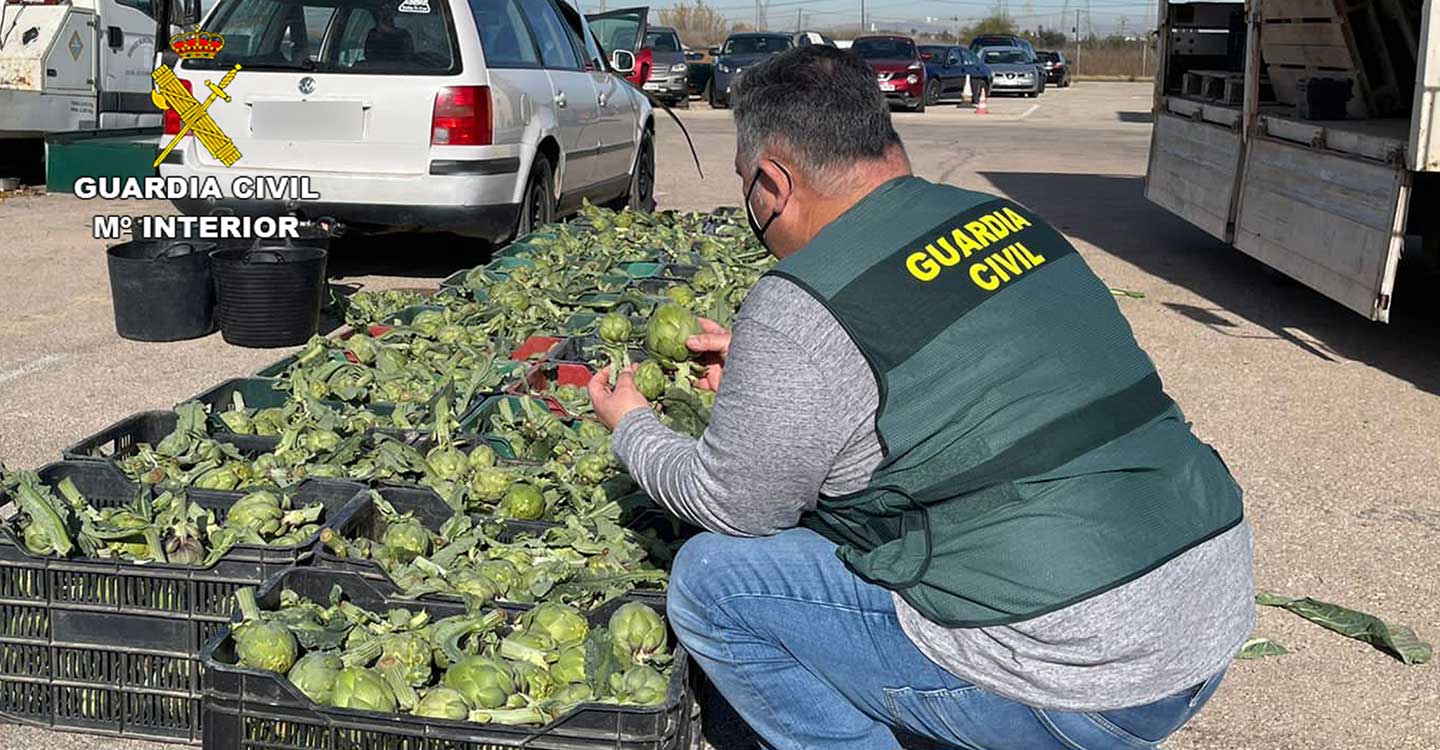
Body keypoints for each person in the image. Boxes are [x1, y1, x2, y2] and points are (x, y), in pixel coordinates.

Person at [588, 45, 1253, 750]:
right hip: (1205, 620)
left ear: (772, 183)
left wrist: (631, 426)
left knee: (714, 582)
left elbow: (732, 507)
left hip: (1084, 685)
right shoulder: (1007, 222)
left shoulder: (800, 303)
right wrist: (768, 381)